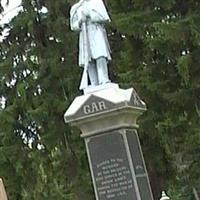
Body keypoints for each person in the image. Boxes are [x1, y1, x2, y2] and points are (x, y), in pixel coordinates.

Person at [70, 0, 111, 90]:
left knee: (100, 54)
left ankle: (103, 79)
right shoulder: (76, 7)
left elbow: (105, 18)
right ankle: (93, 82)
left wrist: (90, 14)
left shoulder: (97, 2)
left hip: (96, 30)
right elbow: (73, 25)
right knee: (88, 59)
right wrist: (80, 22)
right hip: (84, 34)